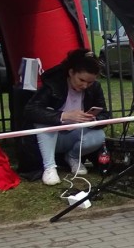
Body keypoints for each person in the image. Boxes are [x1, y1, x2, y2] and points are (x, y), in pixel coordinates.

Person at [24, 48, 110, 185]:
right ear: (71, 72)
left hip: (75, 134)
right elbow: (31, 110)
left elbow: (105, 114)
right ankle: (49, 167)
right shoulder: (53, 83)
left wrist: (93, 119)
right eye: (81, 80)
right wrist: (64, 115)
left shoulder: (95, 88)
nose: (85, 85)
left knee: (99, 136)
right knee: (45, 118)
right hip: (49, 138)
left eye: (90, 82)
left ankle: (73, 157)